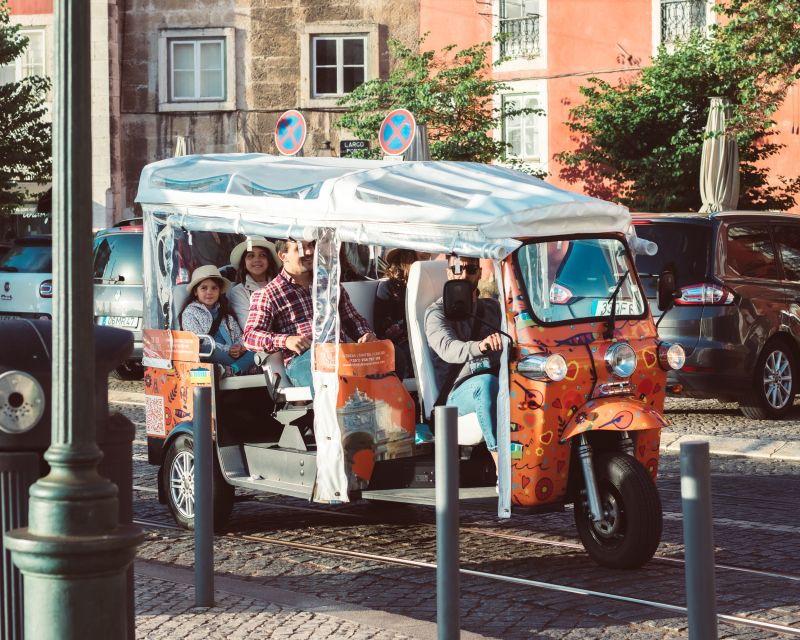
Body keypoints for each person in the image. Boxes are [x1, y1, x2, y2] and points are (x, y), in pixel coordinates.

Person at [242, 239, 377, 389]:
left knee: (393, 357)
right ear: (283, 256)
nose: (309, 252)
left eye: (311, 246)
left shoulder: (329, 284)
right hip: (303, 361)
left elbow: (352, 319)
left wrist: (366, 335)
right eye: (300, 248)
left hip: (340, 355)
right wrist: (286, 340)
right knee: (327, 374)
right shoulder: (267, 294)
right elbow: (250, 337)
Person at [424, 255, 503, 472]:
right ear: (448, 272)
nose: (464, 274)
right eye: (457, 268)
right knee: (485, 384)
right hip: (456, 392)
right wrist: (480, 346)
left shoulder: (493, 308)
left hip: (498, 380)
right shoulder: (436, 314)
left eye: (470, 269)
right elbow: (449, 350)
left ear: (479, 272)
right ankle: (502, 467)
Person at [180, 265, 257, 377]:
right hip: (212, 353)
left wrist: (239, 347)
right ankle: (242, 367)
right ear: (195, 292)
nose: (209, 292)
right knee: (205, 349)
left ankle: (231, 369)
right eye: (204, 288)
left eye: (214, 288)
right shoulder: (190, 313)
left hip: (232, 355)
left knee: (257, 349)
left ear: (220, 291)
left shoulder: (226, 315)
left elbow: (239, 336)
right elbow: (198, 341)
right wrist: (228, 349)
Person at [374, 248, 418, 379]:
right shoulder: (388, 287)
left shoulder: (421, 284)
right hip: (398, 341)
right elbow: (383, 328)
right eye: (412, 259)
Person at [228, 236, 281, 328]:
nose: (257, 260)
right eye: (251, 256)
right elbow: (248, 326)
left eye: (262, 255)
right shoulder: (238, 292)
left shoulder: (280, 285)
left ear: (269, 260)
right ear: (244, 263)